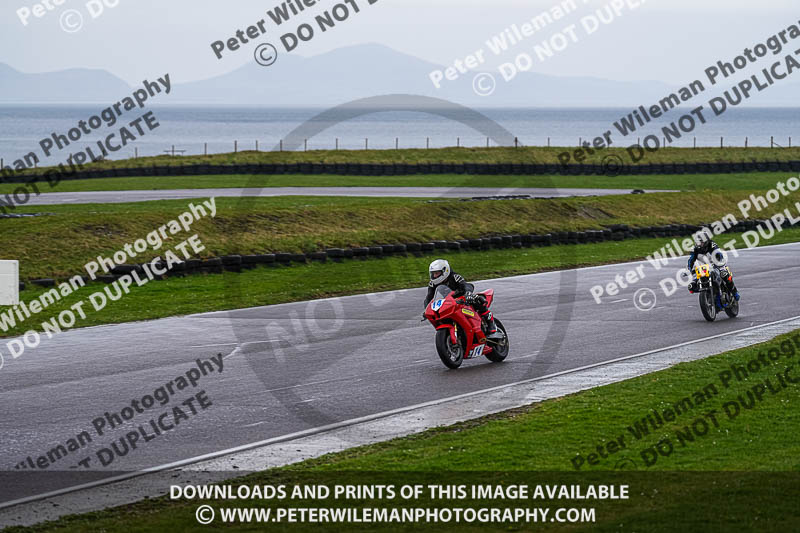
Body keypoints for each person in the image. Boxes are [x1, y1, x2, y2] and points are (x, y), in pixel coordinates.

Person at [424, 259, 503, 340]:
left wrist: (468, 293)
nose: (435, 276)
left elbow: (466, 285)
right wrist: (427, 310)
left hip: (463, 298)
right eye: (433, 273)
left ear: (445, 271)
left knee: (478, 300)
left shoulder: (455, 277)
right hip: (448, 303)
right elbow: (429, 297)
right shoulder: (432, 283)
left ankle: (491, 325)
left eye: (437, 273)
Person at [687, 234, 740, 301]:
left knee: (724, 275)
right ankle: (707, 293)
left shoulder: (712, 245)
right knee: (692, 286)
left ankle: (734, 292)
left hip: (716, 263)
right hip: (703, 267)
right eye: (698, 242)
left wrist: (720, 266)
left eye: (701, 242)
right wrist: (689, 269)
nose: (699, 244)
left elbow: (719, 256)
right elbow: (691, 260)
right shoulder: (694, 249)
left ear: (706, 242)